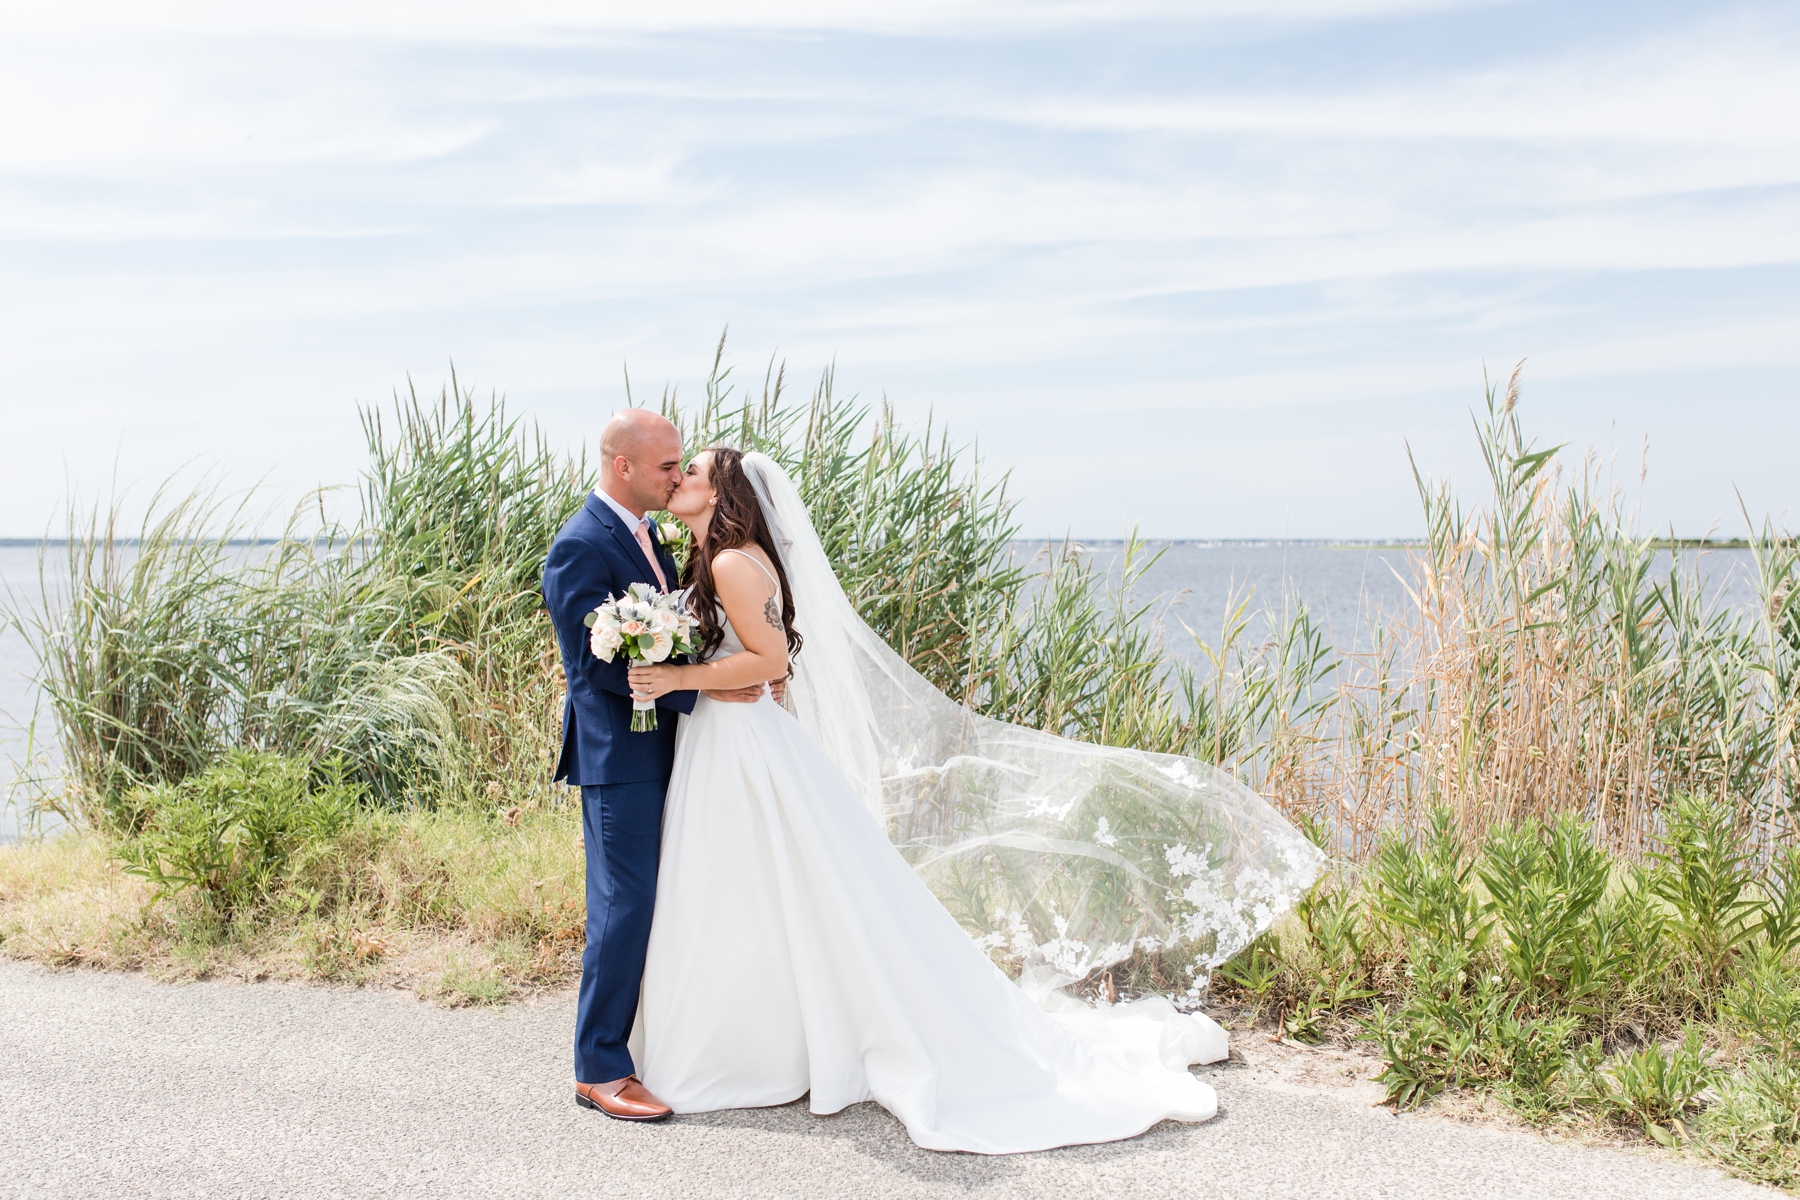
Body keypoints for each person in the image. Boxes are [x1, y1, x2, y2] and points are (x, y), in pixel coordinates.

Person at [619, 447, 1320, 1154]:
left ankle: (749, 1046)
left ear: (724, 493)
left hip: (741, 746)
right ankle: (764, 1034)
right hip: (736, 739)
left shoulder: (734, 562)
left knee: (748, 885)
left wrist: (676, 679)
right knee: (758, 891)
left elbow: (770, 662)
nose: (679, 480)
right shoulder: (725, 556)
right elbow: (766, 662)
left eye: (694, 473)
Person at [540, 412, 777, 1122]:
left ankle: (662, 1038)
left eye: (682, 466)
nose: (676, 476)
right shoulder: (581, 545)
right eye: (667, 466)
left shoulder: (648, 539)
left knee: (661, 898)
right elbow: (593, 667)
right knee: (622, 906)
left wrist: (701, 678)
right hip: (620, 754)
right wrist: (694, 681)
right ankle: (600, 1067)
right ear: (624, 468)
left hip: (667, 745)